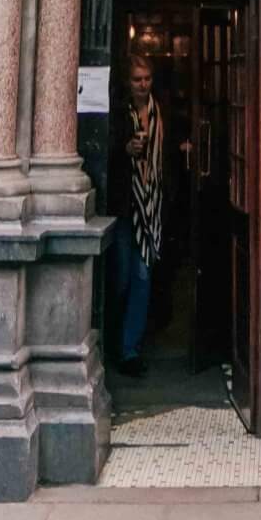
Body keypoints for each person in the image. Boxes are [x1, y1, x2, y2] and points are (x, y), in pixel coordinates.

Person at [109, 53, 164, 376]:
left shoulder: (162, 112)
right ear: (128, 82)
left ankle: (130, 350)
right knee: (121, 278)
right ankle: (113, 344)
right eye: (137, 79)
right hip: (124, 205)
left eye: (147, 78)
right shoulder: (118, 115)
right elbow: (101, 150)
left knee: (142, 278)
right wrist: (124, 150)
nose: (143, 85)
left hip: (151, 208)